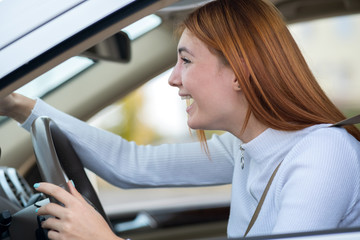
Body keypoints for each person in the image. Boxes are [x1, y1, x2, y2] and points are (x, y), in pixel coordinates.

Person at [1, 0, 360, 239]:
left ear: (239, 72)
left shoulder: (321, 155)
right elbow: (132, 164)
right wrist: (19, 106)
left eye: (185, 61)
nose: (173, 79)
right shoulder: (244, 146)